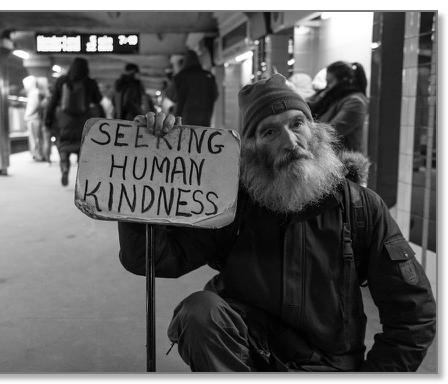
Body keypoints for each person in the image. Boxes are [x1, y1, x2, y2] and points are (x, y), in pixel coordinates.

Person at [117, 74, 436, 372]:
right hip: (247, 357)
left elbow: (413, 313)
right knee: (199, 313)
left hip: (328, 366)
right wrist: (148, 167)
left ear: (316, 131)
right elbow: (151, 257)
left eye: (297, 124)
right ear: (252, 149)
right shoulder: (230, 203)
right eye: (269, 131)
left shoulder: (361, 208)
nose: (289, 140)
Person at [45, 58, 102, 186]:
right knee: (83, 149)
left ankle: (65, 168)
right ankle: (82, 178)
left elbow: (52, 102)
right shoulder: (89, 82)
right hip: (83, 121)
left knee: (63, 146)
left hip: (65, 121)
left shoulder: (62, 81)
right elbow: (98, 99)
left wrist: (48, 119)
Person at [307, 61, 369, 153]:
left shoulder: (355, 102)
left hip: (345, 163)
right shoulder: (335, 97)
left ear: (344, 81)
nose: (327, 86)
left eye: (330, 82)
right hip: (330, 159)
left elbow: (331, 133)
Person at [165, 49, 218, 127]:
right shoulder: (209, 76)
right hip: (205, 120)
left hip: (183, 121)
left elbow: (171, 95)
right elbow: (215, 95)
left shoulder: (179, 77)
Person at [23, 75, 45, 162]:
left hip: (33, 119)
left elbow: (35, 106)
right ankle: (38, 154)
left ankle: (37, 155)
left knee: (35, 138)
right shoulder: (35, 93)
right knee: (36, 138)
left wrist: (27, 115)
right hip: (34, 118)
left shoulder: (34, 93)